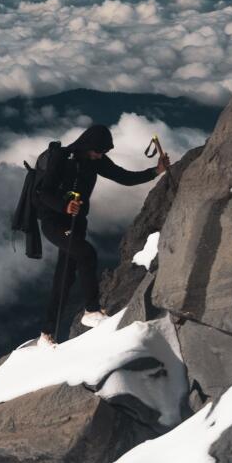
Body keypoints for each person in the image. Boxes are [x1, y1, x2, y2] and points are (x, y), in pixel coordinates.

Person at [33, 124, 169, 346]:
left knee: (65, 277)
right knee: (87, 254)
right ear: (87, 145)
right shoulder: (62, 159)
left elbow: (123, 177)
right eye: (98, 150)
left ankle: (46, 335)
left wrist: (155, 171)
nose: (100, 155)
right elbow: (42, 194)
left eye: (103, 152)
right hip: (54, 222)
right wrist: (64, 206)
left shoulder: (95, 161)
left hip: (76, 224)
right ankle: (92, 310)